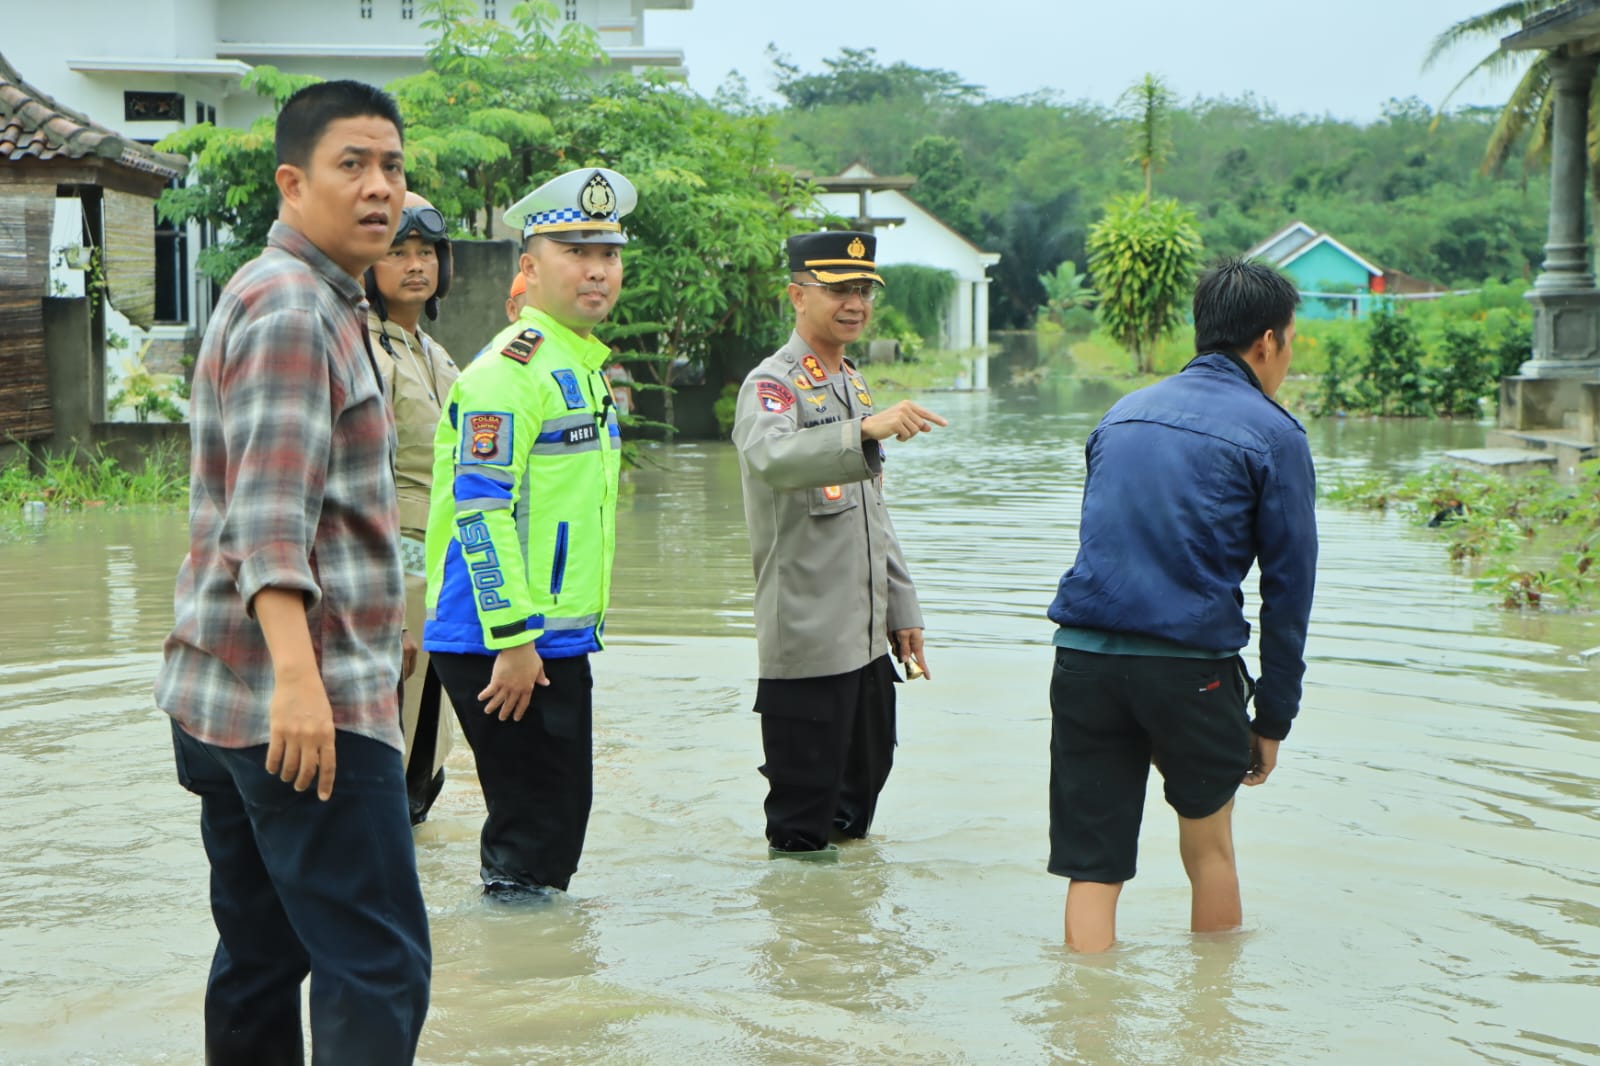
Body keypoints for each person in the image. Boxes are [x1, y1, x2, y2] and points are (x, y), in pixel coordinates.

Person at [154, 80, 430, 1062]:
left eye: (391, 166)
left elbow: (322, 506)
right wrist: (304, 685)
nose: (378, 188)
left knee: (262, 955)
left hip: (223, 693)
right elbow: (267, 520)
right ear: (291, 181)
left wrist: (381, 622)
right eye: (350, 164)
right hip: (299, 710)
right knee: (380, 960)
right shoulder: (296, 312)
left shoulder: (299, 296)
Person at [1044, 256, 1317, 952]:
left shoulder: (1122, 414)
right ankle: (1210, 1034)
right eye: (1290, 341)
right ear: (1266, 342)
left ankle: (1084, 1031)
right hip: (1189, 671)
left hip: (1083, 661)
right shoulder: (1275, 434)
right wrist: (1273, 717)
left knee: (1093, 868)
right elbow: (1288, 589)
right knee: (1210, 852)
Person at [422, 167, 633, 901]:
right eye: (577, 252)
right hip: (504, 640)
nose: (597, 271)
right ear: (531, 267)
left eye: (608, 254)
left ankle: (532, 982)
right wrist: (512, 638)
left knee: (553, 827)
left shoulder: (581, 363)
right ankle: (512, 992)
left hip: (552, 639)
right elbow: (481, 512)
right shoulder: (506, 375)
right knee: (531, 840)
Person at [731, 229, 948, 861]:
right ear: (796, 295)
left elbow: (873, 513)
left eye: (863, 291)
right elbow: (771, 457)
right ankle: (802, 946)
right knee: (801, 826)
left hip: (866, 642)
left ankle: (847, 942)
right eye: (838, 290)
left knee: (858, 811)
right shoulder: (772, 385)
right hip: (808, 641)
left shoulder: (851, 382)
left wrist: (903, 610)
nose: (854, 303)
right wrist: (864, 430)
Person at [364, 190, 461, 825]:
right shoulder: (366, 350)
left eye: (426, 252)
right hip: (396, 560)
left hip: (444, 562)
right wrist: (389, 611)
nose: (416, 265)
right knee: (391, 723)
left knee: (432, 727)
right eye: (399, 253)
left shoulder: (431, 350)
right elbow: (365, 480)